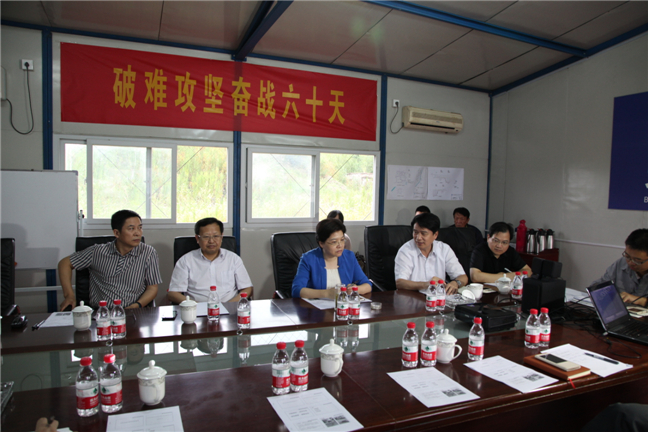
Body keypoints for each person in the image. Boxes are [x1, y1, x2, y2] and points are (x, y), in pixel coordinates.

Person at [58, 210, 162, 310]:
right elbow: (64, 264)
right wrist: (69, 295)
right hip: (102, 313)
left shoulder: (148, 253)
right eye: (131, 228)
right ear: (117, 233)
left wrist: (137, 305)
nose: (138, 233)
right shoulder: (97, 252)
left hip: (133, 311)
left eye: (140, 228)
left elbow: (152, 288)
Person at [168, 217, 253, 303]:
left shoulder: (233, 259)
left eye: (216, 236)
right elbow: (173, 293)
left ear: (221, 237)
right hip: (196, 308)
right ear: (197, 238)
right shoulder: (185, 261)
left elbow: (247, 288)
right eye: (206, 237)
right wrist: (196, 306)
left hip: (229, 307)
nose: (211, 241)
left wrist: (228, 306)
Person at [292, 218, 371, 299]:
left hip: (343, 305)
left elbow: (367, 284)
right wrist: (326, 293)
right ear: (321, 243)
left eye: (342, 240)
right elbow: (296, 290)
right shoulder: (308, 259)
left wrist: (356, 289)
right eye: (334, 242)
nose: (340, 245)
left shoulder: (349, 257)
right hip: (317, 306)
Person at [394, 212, 468, 295]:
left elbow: (463, 277)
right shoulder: (406, 251)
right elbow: (400, 283)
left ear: (435, 235)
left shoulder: (444, 249)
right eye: (415, 232)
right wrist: (426, 284)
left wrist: (456, 283)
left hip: (438, 298)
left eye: (423, 233)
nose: (418, 238)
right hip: (412, 297)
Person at [591, 229, 648, 306]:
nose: (630, 263)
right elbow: (599, 285)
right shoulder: (622, 263)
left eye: (637, 260)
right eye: (627, 256)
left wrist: (642, 301)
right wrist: (600, 292)